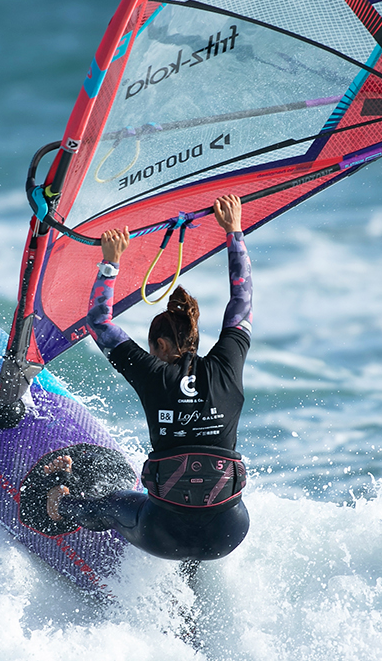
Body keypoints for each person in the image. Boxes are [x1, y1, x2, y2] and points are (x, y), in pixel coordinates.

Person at [45, 193, 253, 561]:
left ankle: (60, 505)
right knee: (202, 506)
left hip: (163, 533)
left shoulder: (152, 373)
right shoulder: (227, 364)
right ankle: (193, 577)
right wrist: (233, 231)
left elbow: (99, 322)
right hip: (229, 532)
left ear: (158, 344)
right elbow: (241, 303)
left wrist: (111, 262)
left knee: (111, 506)